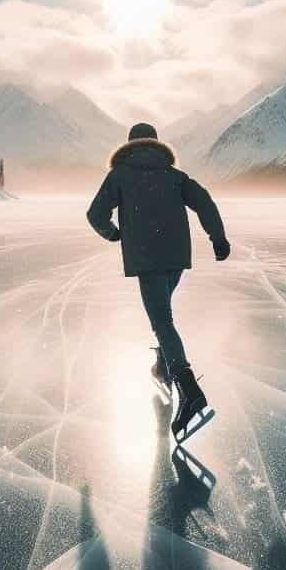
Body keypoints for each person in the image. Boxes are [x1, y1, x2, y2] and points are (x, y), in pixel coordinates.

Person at [86, 122, 230, 442]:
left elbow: (95, 214)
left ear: (130, 145)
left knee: (162, 321)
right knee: (164, 314)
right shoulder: (174, 176)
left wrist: (113, 234)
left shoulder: (120, 175)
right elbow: (203, 201)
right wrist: (218, 238)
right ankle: (164, 367)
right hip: (176, 258)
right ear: (155, 144)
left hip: (147, 260)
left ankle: (188, 387)